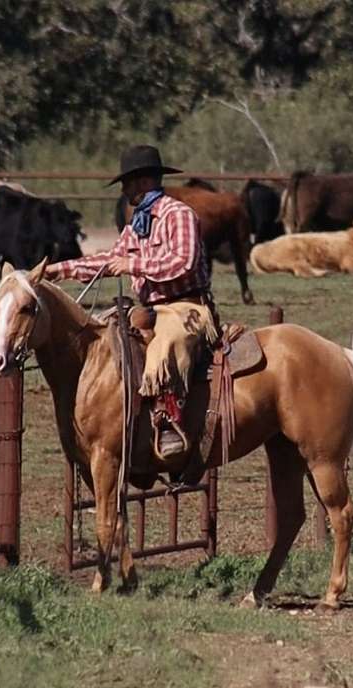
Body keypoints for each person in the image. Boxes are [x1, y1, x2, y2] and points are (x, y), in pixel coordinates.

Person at [44, 145, 218, 461]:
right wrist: (59, 269)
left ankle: (168, 421)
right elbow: (110, 259)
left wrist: (134, 265)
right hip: (150, 308)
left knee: (166, 344)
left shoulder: (178, 214)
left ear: (141, 182)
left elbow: (184, 262)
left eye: (127, 183)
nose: (124, 190)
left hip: (187, 307)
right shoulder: (138, 223)